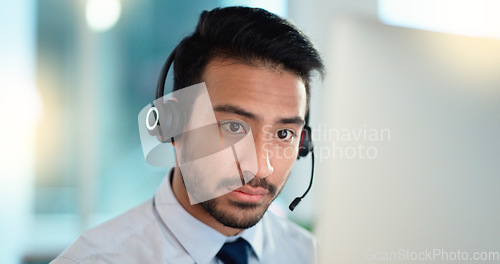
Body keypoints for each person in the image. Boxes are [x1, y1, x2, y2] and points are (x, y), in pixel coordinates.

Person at [51, 6, 324, 264]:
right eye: (233, 127)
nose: (261, 168)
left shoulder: (313, 254)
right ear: (172, 124)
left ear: (303, 144)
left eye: (284, 133)